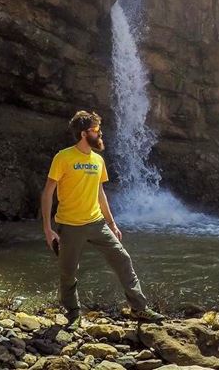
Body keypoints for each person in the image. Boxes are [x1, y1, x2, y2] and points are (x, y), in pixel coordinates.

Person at [41, 110, 164, 327]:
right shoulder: (63, 157)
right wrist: (48, 229)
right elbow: (48, 192)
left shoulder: (98, 160)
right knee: (68, 272)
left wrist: (112, 223)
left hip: (97, 223)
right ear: (83, 133)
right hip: (70, 225)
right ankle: (73, 313)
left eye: (99, 130)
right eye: (96, 130)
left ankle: (139, 308)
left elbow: (100, 193)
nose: (100, 134)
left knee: (123, 259)